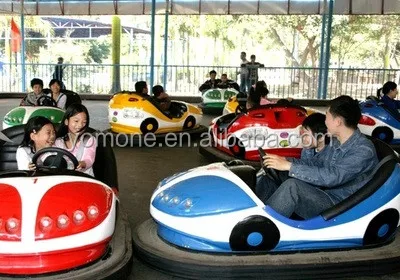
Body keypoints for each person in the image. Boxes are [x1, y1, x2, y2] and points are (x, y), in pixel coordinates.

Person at [256, 95, 378, 219]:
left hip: (339, 205)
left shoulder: (363, 150)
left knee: (293, 187)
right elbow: (316, 164)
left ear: (338, 122)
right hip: (323, 192)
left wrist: (290, 166)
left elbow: (332, 176)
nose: (325, 121)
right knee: (271, 174)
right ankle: (255, 214)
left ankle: (263, 225)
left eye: (327, 116)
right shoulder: (335, 141)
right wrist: (284, 161)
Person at [54, 104, 96, 176]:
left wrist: (83, 163)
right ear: (66, 121)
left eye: (84, 122)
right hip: (63, 177)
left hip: (84, 177)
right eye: (76, 121)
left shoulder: (89, 140)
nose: (80, 125)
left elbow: (89, 158)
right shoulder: (58, 141)